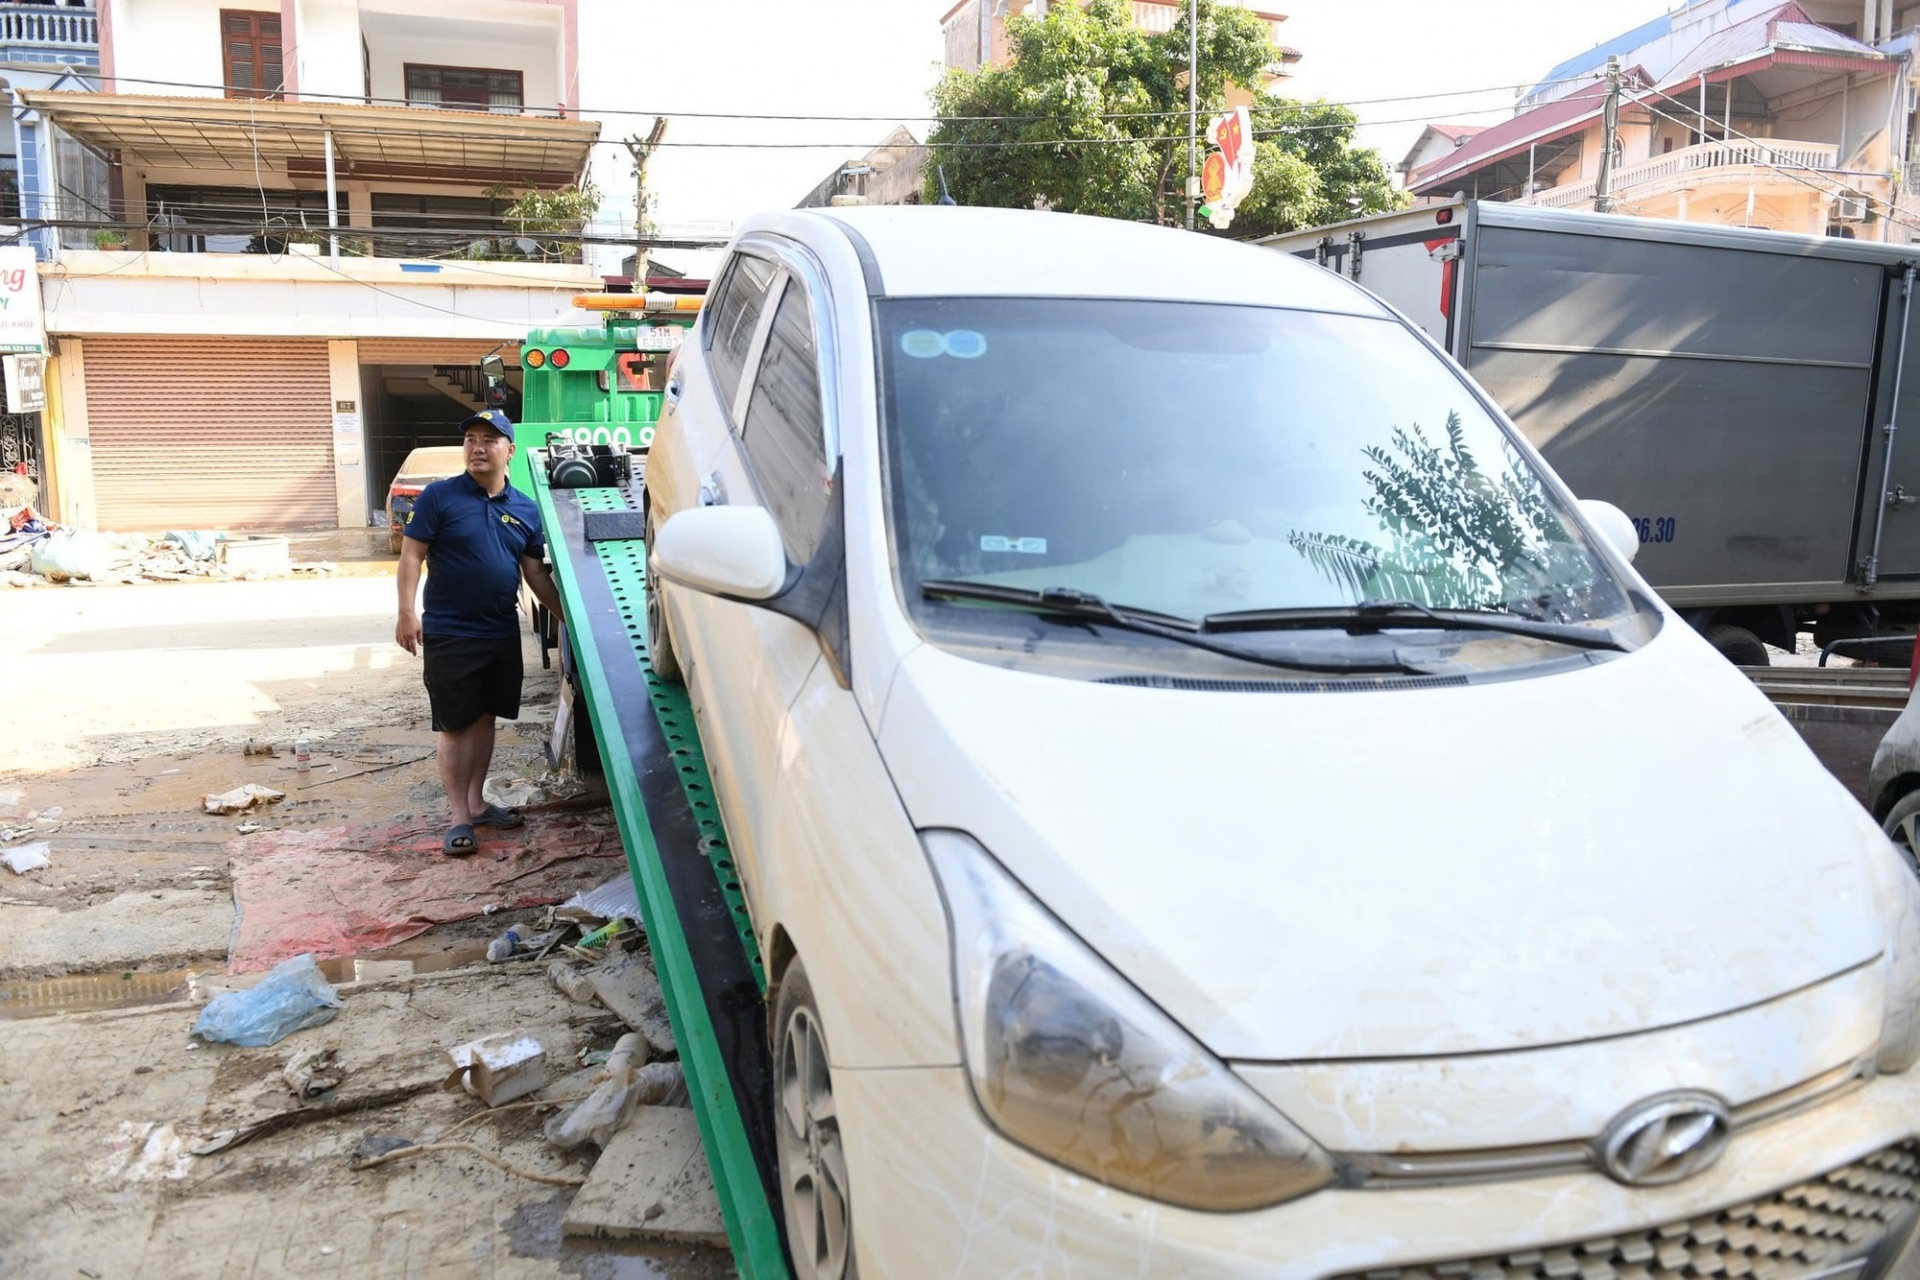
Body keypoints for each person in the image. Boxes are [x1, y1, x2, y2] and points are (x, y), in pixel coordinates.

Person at [395, 409, 564, 855]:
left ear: (510, 450)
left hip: (500, 630)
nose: (477, 447)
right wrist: (406, 613)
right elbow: (412, 556)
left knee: (487, 716)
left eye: (489, 439)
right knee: (455, 725)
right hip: (451, 631)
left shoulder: (525, 508)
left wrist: (568, 619)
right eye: (470, 439)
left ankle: (477, 802)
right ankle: (459, 818)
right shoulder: (439, 497)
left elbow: (535, 574)